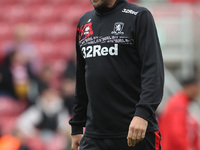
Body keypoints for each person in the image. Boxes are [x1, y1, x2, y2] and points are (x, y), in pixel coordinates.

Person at [69, 0, 164, 150]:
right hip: (95, 136)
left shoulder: (139, 16)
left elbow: (153, 71)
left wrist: (142, 114)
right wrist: (76, 126)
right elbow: (81, 79)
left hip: (135, 132)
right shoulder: (84, 22)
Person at [159, 78, 200, 150]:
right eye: (195, 88)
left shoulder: (185, 102)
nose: (197, 92)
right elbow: (177, 132)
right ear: (188, 87)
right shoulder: (179, 104)